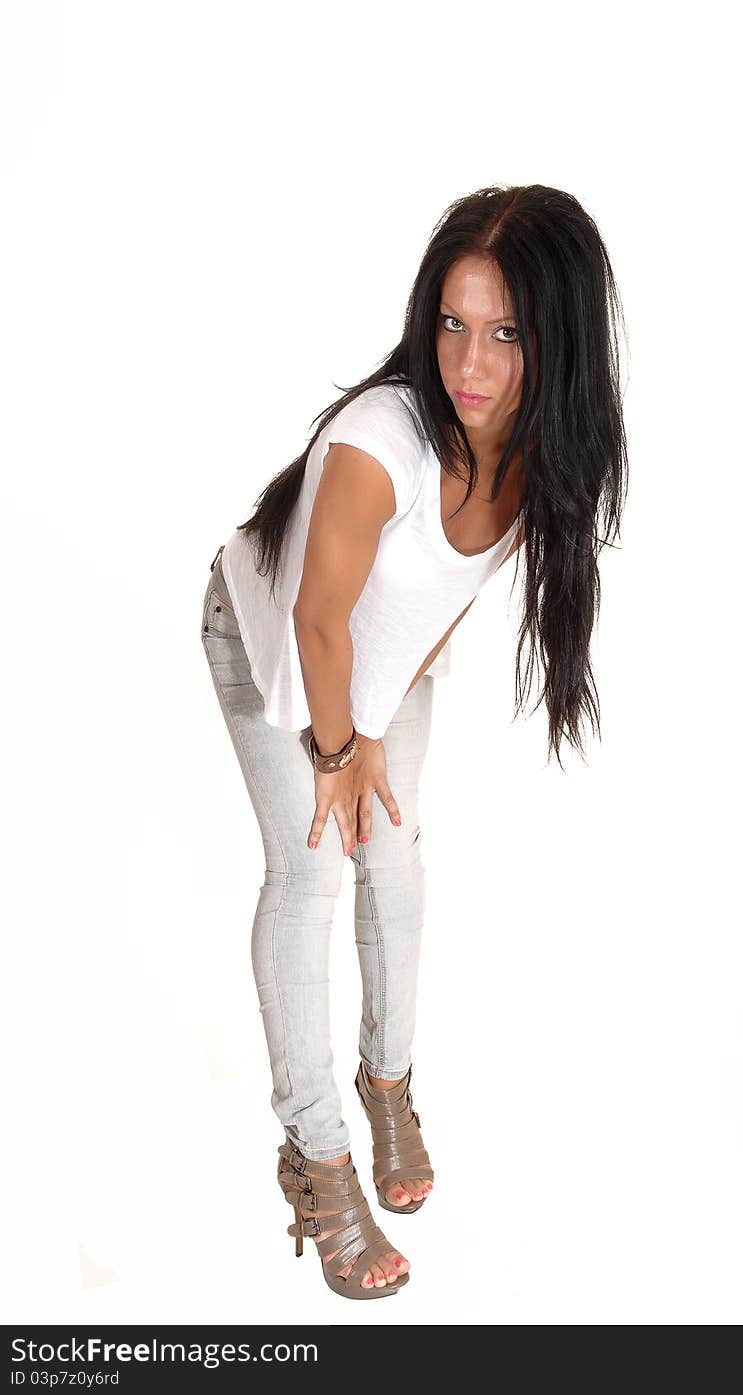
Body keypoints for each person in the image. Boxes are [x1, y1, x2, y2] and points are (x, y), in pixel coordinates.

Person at [200, 183, 628, 1300]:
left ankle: (387, 1085)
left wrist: (376, 725)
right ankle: (319, 1154)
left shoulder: (543, 446)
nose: (469, 364)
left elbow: (443, 593)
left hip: (369, 662)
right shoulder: (375, 443)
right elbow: (314, 622)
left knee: (395, 858)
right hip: (269, 639)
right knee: (308, 872)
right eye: (450, 323)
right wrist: (338, 752)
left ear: (557, 341)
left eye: (504, 332)